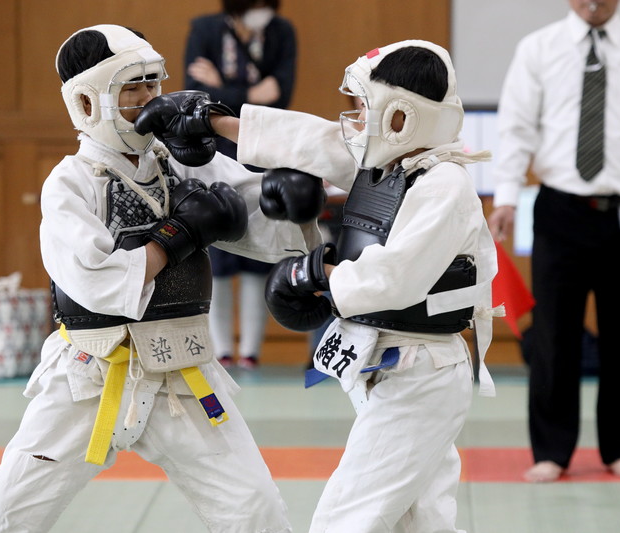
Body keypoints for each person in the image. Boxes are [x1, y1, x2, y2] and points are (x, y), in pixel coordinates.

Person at [0, 24, 320, 533]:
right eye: (132, 86)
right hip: (91, 371)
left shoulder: (183, 163)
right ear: (87, 103)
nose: (150, 98)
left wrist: (291, 201)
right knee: (2, 516)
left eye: (154, 83)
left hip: (183, 371)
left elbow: (258, 219)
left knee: (255, 509)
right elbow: (100, 283)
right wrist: (177, 235)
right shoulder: (69, 182)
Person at [136, 39, 500, 533]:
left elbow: (395, 278)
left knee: (346, 517)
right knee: (423, 515)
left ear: (401, 118)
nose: (354, 120)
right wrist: (214, 120)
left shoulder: (444, 185)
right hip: (382, 356)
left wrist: (315, 275)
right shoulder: (387, 165)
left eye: (365, 108)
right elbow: (315, 141)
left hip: (422, 371)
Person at [488, 0, 620, 483]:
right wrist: (506, 196)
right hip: (561, 208)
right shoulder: (538, 49)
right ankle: (552, 452)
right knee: (553, 334)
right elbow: (516, 126)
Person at [184, 0, 297, 368]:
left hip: (262, 155)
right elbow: (196, 98)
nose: (261, 11)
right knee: (215, 253)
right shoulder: (205, 29)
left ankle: (250, 351)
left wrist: (224, 89)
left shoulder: (281, 32)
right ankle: (221, 350)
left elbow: (279, 94)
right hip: (212, 158)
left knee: (258, 255)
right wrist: (248, 92)